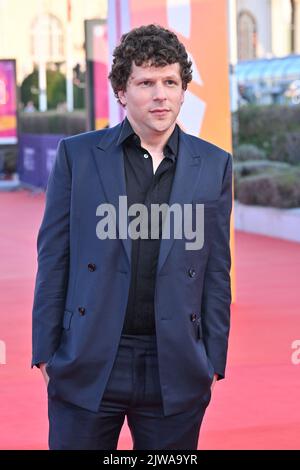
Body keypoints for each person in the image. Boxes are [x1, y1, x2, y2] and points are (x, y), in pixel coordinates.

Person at [32, 24, 232, 450]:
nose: (160, 94)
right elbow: (54, 258)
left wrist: (212, 360)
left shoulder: (214, 165)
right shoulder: (78, 156)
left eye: (170, 82)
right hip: (88, 359)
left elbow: (216, 269)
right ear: (122, 91)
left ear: (182, 91)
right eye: (146, 83)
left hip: (175, 366)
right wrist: (46, 354)